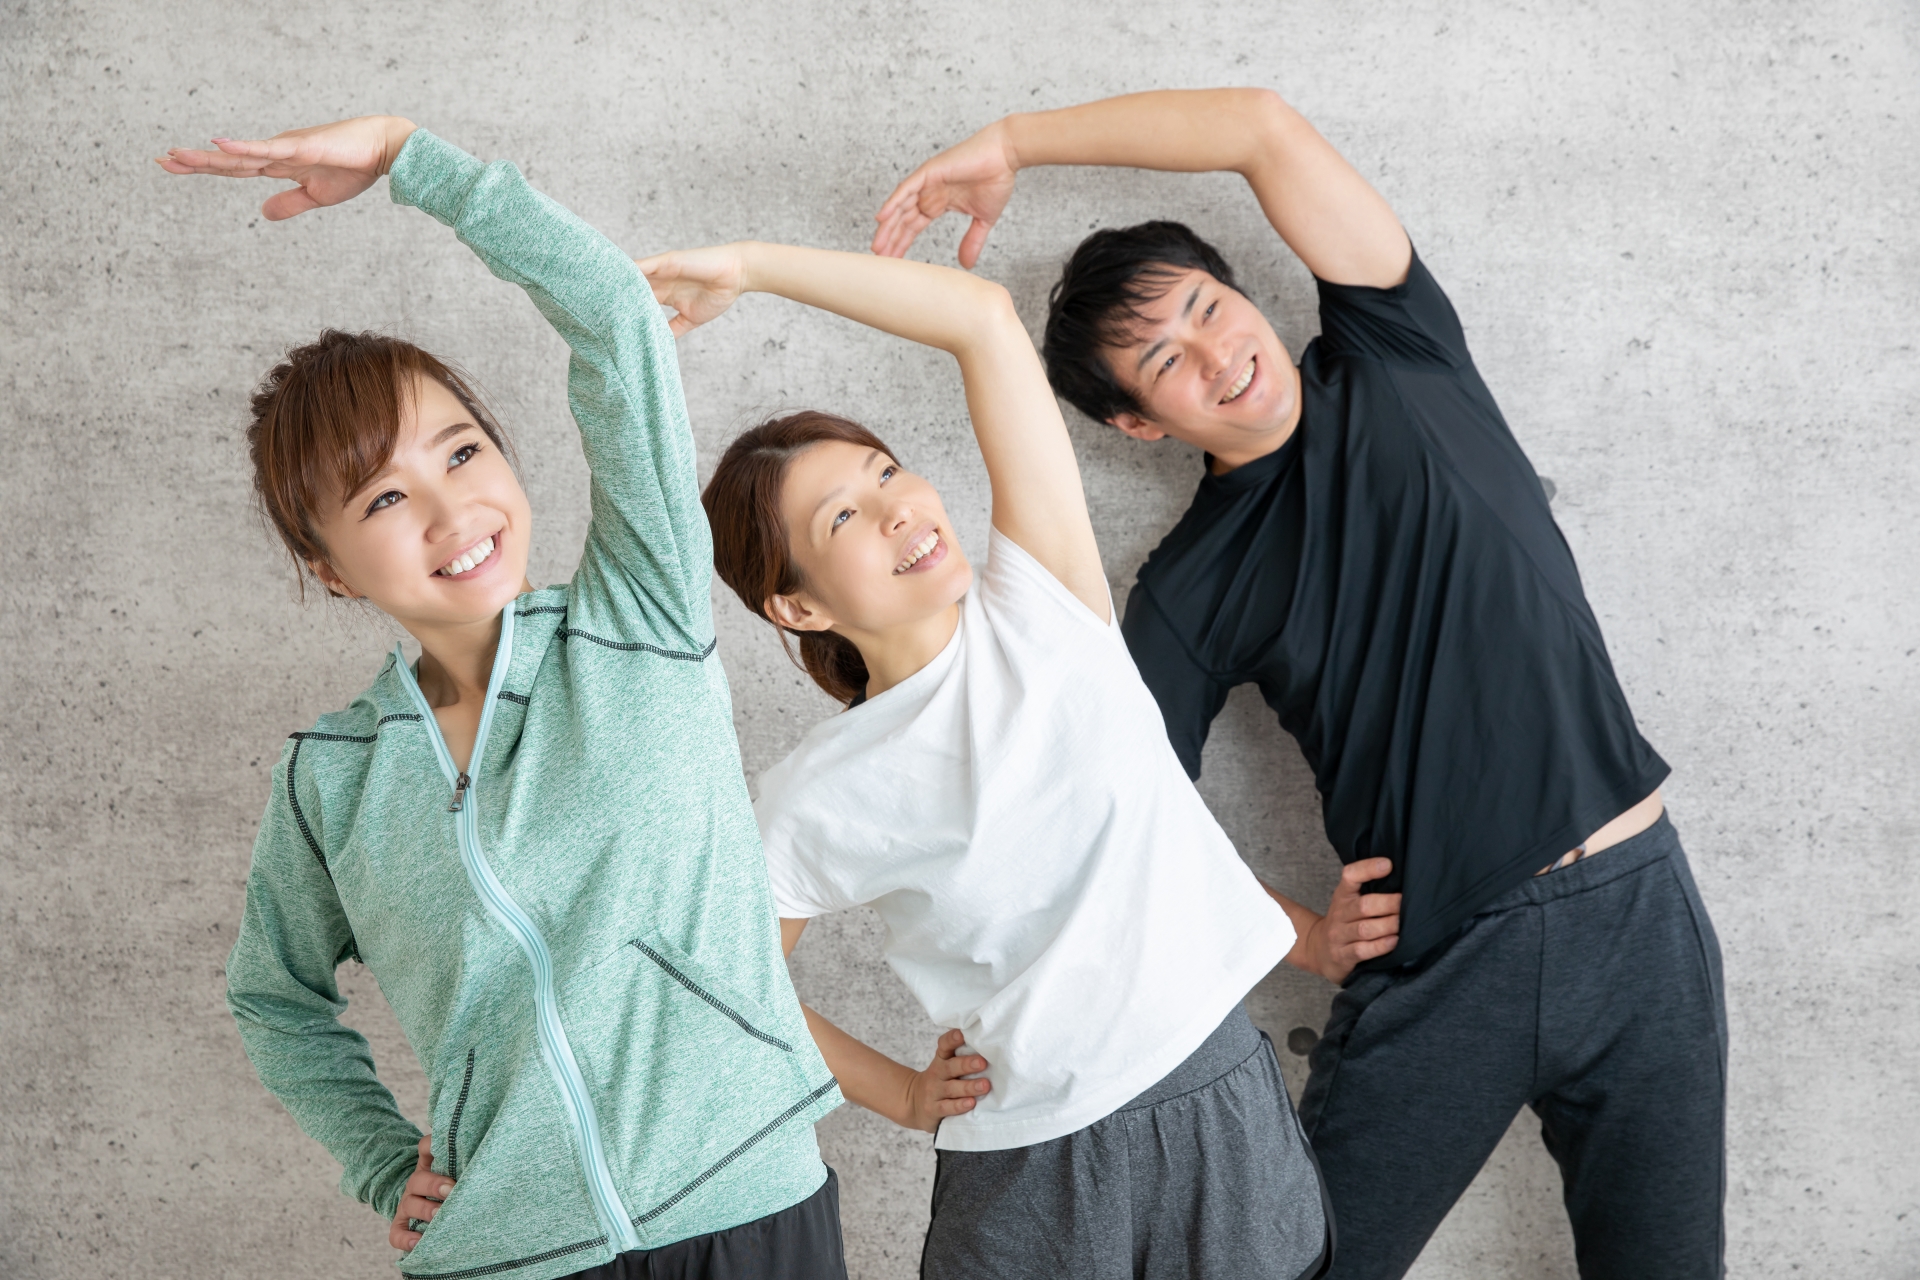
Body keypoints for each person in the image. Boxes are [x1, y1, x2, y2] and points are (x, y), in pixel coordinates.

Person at [874, 88, 1726, 1280]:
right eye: (1165, 362)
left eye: (1208, 309)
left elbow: (1261, 129)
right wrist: (1306, 933)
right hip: (1442, 960)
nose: (1216, 353)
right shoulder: (1187, 589)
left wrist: (1014, 141)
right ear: (1138, 424)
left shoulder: (1396, 350)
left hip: (1638, 913)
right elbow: (1118, 810)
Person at [160, 116, 846, 1280]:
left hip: (748, 1201)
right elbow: (273, 1000)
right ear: (330, 568)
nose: (449, 511)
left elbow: (615, 312)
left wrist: (407, 156)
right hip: (514, 1254)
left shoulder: (638, 617)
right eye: (383, 499)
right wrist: (383, 1161)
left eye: (462, 451)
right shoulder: (333, 778)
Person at [639, 237, 1334, 1279]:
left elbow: (981, 319)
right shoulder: (812, 795)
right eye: (844, 516)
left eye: (885, 472)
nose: (898, 508)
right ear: (798, 607)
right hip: (1034, 1164)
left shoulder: (1044, 602)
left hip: (1216, 1098)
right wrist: (900, 1092)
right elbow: (718, 984)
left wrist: (753, 266)